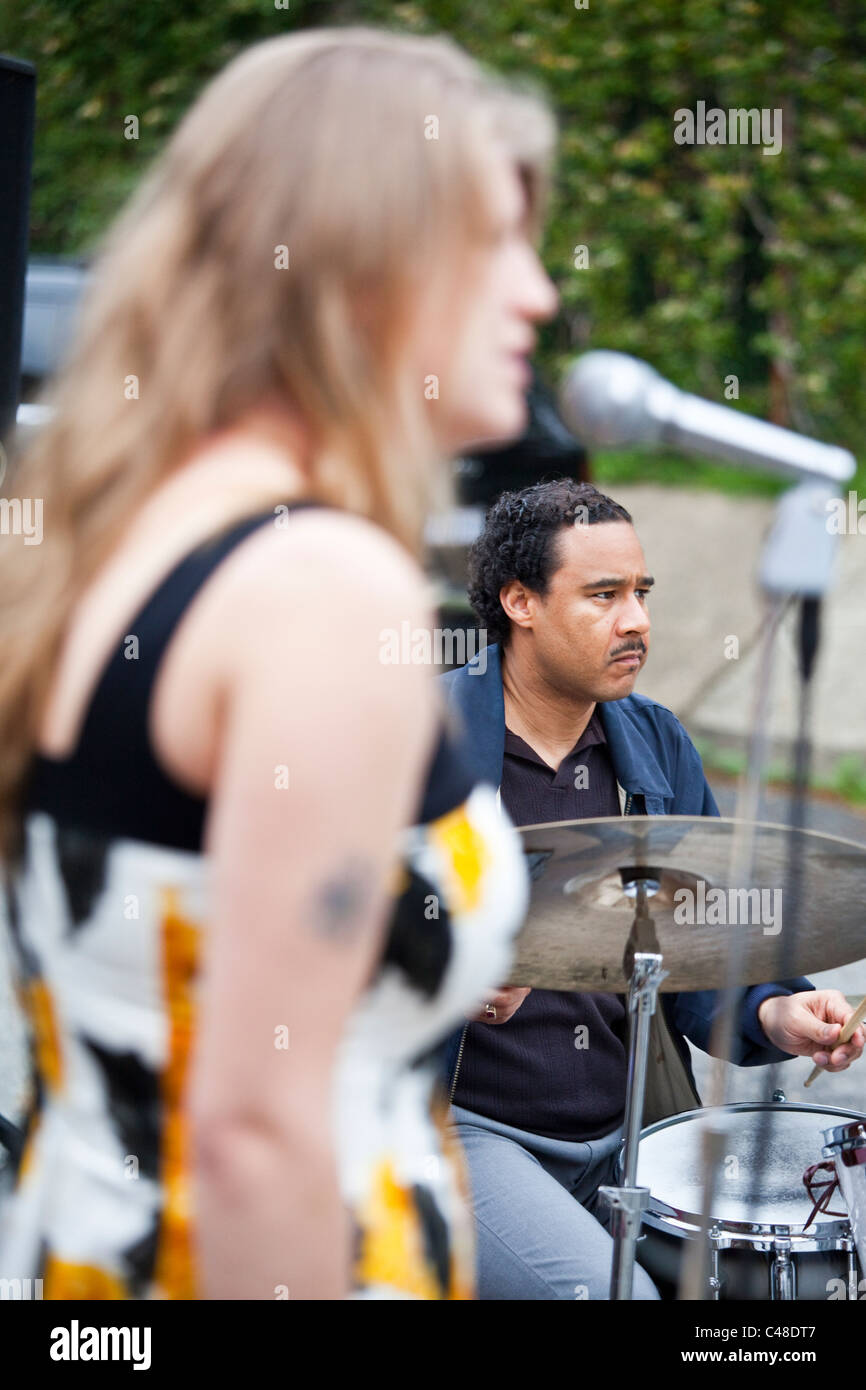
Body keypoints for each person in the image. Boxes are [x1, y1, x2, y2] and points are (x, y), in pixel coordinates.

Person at [0, 27, 561, 1299]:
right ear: (361, 264)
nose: (536, 291)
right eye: (494, 243)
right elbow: (254, 1137)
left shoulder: (127, 534)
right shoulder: (316, 585)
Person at [439, 478, 865, 1300]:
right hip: (464, 1129)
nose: (636, 621)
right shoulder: (422, 739)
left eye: (641, 593)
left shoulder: (656, 745)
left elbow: (702, 940)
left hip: (633, 1127)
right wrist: (441, 974)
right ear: (519, 602)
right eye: (603, 596)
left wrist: (774, 1011)